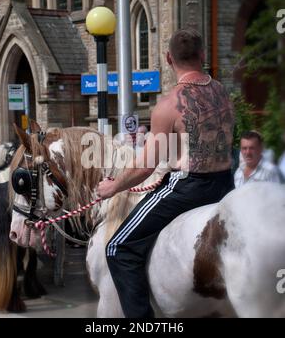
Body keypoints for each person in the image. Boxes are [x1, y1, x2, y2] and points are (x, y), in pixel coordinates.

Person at [97, 28, 235, 318]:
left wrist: (114, 188)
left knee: (117, 249)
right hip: (226, 185)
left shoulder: (168, 105)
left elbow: (146, 166)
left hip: (188, 188)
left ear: (168, 57)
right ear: (202, 55)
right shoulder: (223, 93)